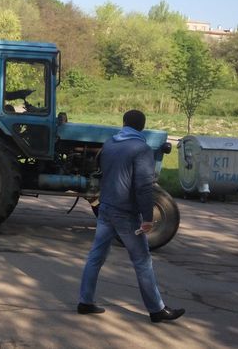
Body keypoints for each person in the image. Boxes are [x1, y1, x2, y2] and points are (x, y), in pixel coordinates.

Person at [77, 109, 185, 323]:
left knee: (96, 256)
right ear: (142, 127)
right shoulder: (141, 149)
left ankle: (85, 301)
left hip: (106, 208)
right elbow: (144, 186)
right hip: (125, 213)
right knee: (142, 261)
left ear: (124, 123)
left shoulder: (109, 144)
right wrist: (147, 218)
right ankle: (157, 310)